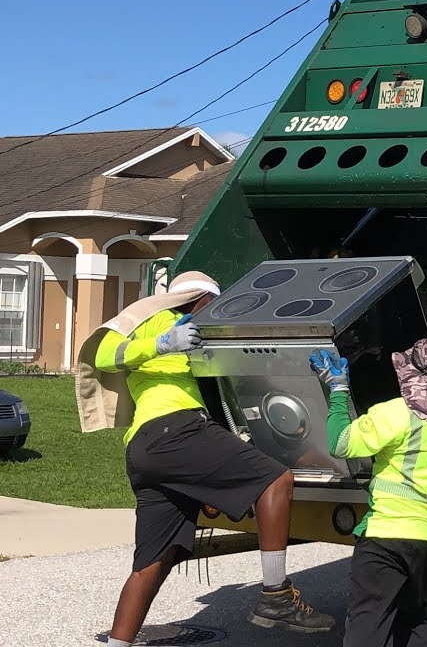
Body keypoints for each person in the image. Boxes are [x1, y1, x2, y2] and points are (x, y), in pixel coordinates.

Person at [76, 271, 334, 646]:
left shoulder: (194, 336)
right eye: (211, 305)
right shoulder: (159, 320)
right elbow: (101, 353)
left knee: (154, 562)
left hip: (147, 449)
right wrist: (162, 342)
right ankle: (275, 596)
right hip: (175, 431)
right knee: (276, 480)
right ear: (198, 299)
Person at [311, 338, 427, 647]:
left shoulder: (393, 414)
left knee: (368, 620)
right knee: (413, 617)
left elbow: (340, 443)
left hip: (388, 536)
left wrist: (337, 393)